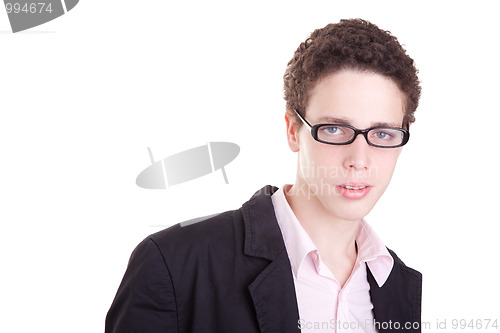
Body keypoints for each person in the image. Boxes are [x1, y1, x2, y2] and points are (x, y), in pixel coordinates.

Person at [105, 18, 422, 333]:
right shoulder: (175, 265)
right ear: (293, 131)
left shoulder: (400, 287)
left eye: (382, 134)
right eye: (335, 129)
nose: (359, 159)